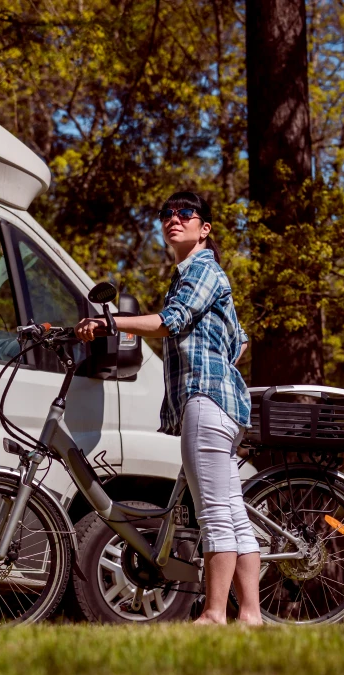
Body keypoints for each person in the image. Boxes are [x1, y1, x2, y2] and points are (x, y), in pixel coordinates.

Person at [75, 191, 260, 625]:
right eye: (166, 214)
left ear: (204, 228)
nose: (173, 220)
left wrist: (108, 323)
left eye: (185, 214)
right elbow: (241, 339)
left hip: (207, 399)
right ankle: (250, 615)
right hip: (224, 403)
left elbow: (168, 322)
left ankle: (215, 614)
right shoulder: (198, 275)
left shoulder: (201, 269)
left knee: (213, 511)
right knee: (230, 509)